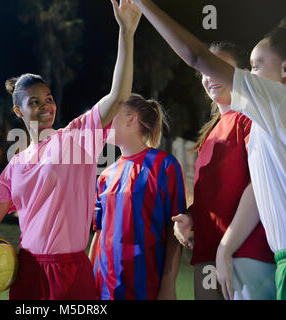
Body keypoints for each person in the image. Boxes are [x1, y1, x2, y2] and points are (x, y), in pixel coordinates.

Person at [0, 0, 142, 300]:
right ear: (18, 110)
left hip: (71, 271)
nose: (45, 106)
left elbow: (118, 96)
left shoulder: (76, 138)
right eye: (34, 102)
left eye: (48, 99)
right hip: (28, 272)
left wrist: (126, 32)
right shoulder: (14, 167)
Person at [132, 0, 285, 299]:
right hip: (221, 250)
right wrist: (192, 216)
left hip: (250, 252)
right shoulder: (233, 125)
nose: (250, 76)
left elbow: (196, 56)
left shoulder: (265, 110)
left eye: (255, 67)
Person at [176, 42, 275, 300]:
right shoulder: (210, 134)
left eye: (218, 68)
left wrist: (226, 248)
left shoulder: (251, 118)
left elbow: (260, 185)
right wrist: (190, 217)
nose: (210, 77)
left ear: (241, 73)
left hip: (245, 252)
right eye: (205, 71)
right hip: (208, 254)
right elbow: (214, 195)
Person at [89, 93, 185, 300]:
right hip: (103, 289)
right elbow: (99, 233)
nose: (104, 121)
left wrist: (168, 285)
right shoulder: (105, 176)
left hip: (146, 287)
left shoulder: (164, 166)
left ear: (131, 119)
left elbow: (174, 231)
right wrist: (87, 282)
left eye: (111, 114)